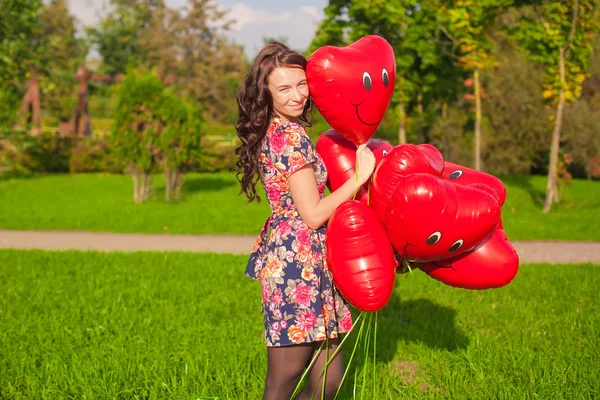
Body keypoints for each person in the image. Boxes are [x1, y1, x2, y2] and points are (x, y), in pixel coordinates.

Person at [234, 42, 376, 400]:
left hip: (311, 256)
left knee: (328, 372)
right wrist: (358, 178)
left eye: (301, 84)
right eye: (284, 88)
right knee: (285, 376)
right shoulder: (289, 138)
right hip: (298, 261)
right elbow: (311, 214)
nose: (297, 95)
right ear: (266, 94)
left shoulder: (284, 129)